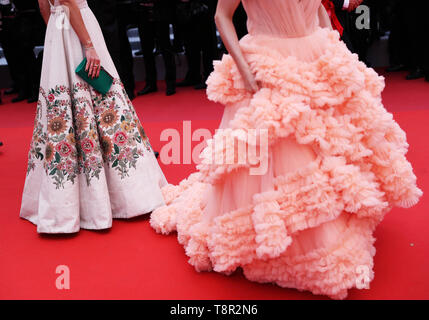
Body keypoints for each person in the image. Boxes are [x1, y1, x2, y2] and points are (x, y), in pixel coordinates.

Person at [150, 0, 422, 299]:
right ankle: (299, 238)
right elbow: (221, 16)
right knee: (280, 149)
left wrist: (333, 45)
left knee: (331, 143)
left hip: (318, 54)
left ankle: (336, 219)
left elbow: (319, 7)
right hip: (268, 60)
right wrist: (245, 67)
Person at [20, 0, 167, 233]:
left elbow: (42, 5)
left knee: (65, 109)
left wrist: (58, 34)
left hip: (58, 31)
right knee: (103, 96)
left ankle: (68, 202)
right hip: (78, 25)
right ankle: (116, 195)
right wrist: (87, 44)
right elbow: (69, 1)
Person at [136, 0, 176, 96]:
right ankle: (150, 83)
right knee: (146, 49)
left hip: (160, 10)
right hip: (143, 10)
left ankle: (171, 83)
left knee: (166, 48)